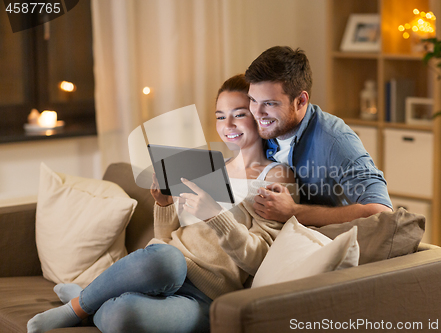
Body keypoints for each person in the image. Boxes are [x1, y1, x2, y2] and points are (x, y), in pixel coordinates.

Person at [27, 74, 297, 333]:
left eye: (239, 114)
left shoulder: (275, 176)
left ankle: (87, 297)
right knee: (168, 258)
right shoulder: (209, 167)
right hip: (164, 270)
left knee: (123, 318)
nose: (228, 125)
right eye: (220, 116)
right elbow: (164, 241)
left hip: (206, 296)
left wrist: (215, 215)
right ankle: (75, 308)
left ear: (259, 115)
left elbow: (260, 259)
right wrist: (165, 205)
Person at [245, 46, 393, 226]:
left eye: (269, 103)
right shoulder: (256, 126)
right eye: (253, 100)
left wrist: (293, 212)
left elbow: (381, 212)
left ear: (301, 101)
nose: (258, 113)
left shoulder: (335, 140)